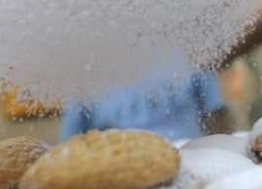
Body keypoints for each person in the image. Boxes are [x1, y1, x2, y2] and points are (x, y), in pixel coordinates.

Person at [60, 56, 228, 142]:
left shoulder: (188, 46)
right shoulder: (86, 73)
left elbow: (217, 114)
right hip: (123, 181)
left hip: (195, 160)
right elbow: (70, 144)